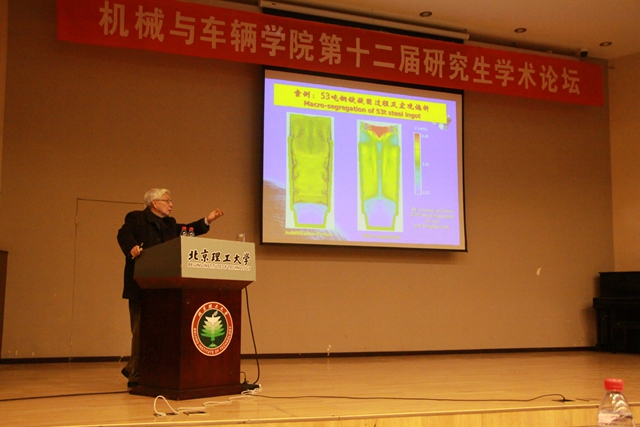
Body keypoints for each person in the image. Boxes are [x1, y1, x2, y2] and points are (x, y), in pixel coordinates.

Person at [116, 188, 224, 388]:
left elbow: (188, 230)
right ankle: (136, 375)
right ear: (154, 203)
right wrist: (132, 247)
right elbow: (123, 234)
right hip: (141, 285)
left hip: (164, 287)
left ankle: (147, 371)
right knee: (140, 332)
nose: (171, 204)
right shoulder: (136, 218)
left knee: (161, 331)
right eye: (167, 200)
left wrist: (207, 221)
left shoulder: (169, 224)